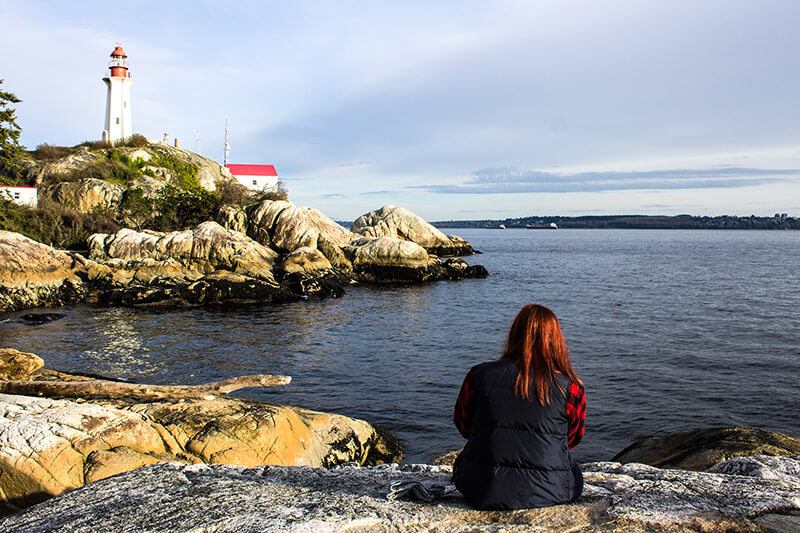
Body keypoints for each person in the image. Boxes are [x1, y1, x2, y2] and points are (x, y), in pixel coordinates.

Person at [452, 303, 586, 509]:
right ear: (556, 340)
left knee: (464, 460)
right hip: (552, 490)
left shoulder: (478, 375)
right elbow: (571, 439)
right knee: (574, 470)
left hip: (481, 487)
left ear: (514, 334)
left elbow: (464, 426)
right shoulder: (571, 387)